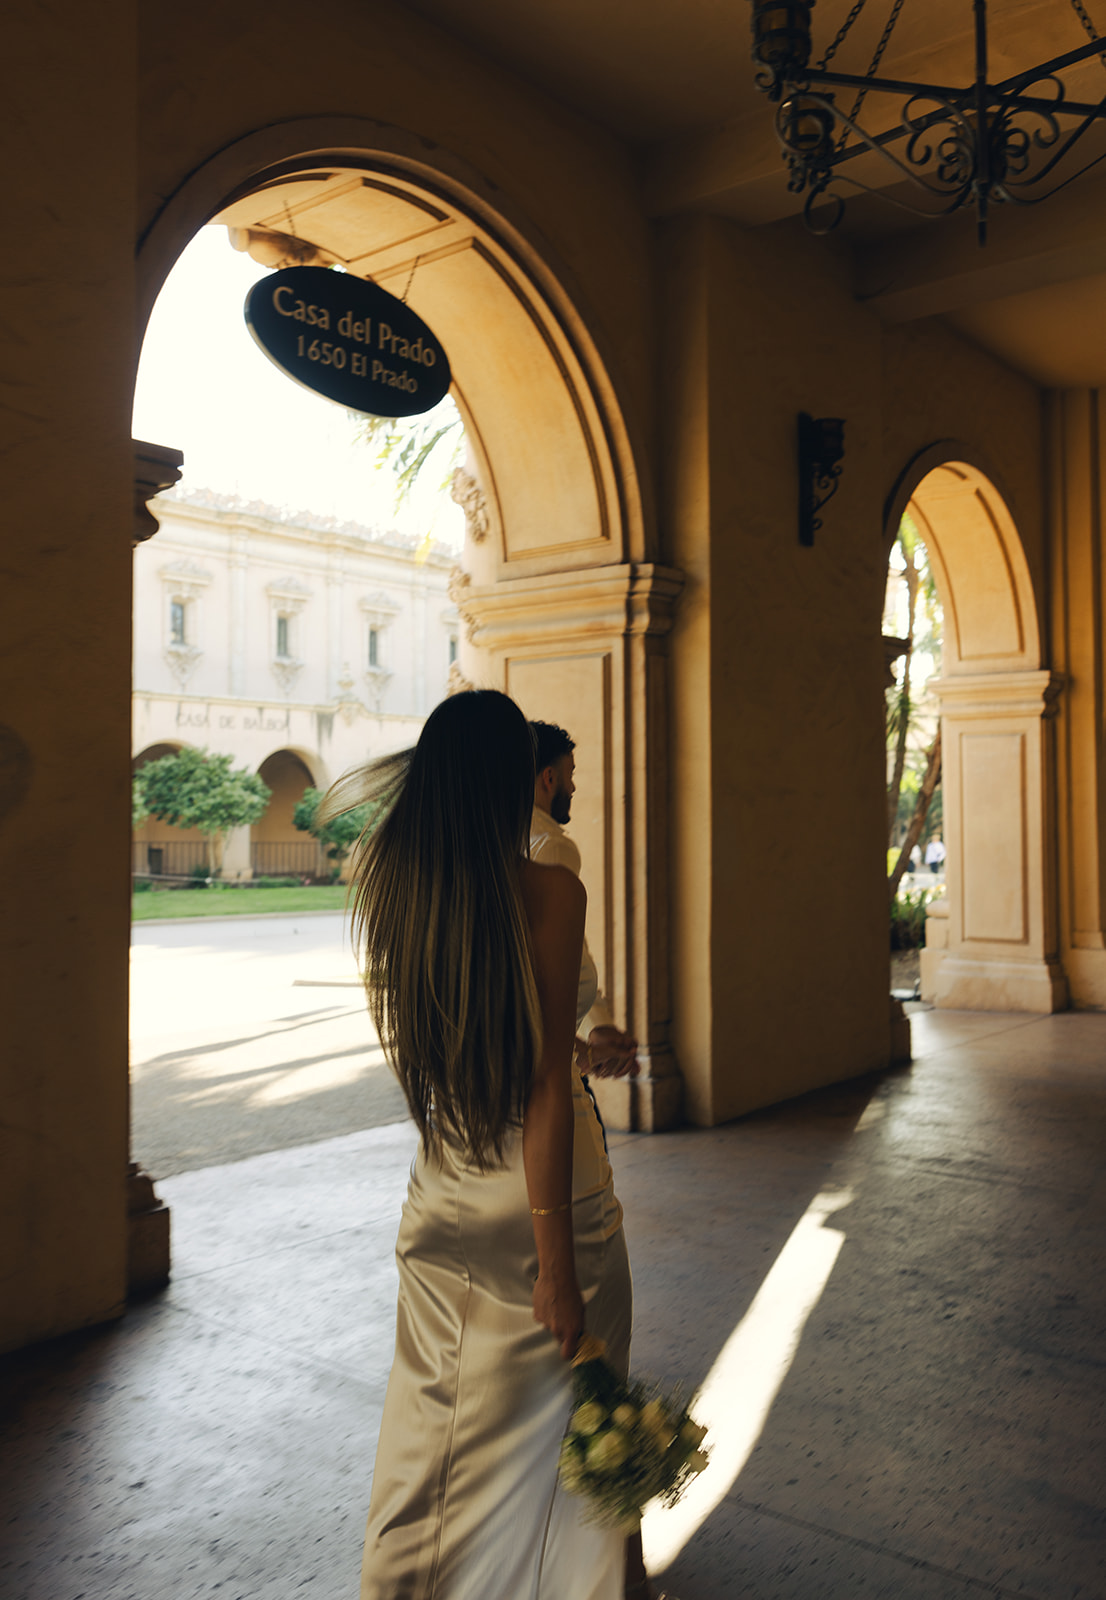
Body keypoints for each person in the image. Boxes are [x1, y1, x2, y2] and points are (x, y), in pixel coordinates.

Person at [328, 691, 635, 1599]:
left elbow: (478, 1046)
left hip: (442, 1193)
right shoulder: (549, 886)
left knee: (432, 1430)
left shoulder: (392, 882)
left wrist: (579, 1050)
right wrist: (553, 1264)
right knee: (579, 1432)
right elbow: (541, 1081)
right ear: (516, 777)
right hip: (551, 1196)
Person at [529, 720, 638, 1081]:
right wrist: (586, 1047)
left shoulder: (490, 841)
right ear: (549, 778)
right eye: (569, 774)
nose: (573, 785)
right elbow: (561, 950)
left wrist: (598, 1023)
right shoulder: (551, 846)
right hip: (544, 1059)